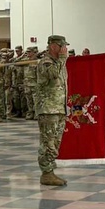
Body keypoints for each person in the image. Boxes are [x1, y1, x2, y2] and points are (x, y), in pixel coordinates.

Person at [37, 35, 69, 186]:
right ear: (53, 46)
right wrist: (62, 59)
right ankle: (46, 172)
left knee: (55, 142)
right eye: (62, 46)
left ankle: (50, 170)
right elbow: (52, 75)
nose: (65, 50)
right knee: (48, 142)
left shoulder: (59, 63)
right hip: (48, 108)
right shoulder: (46, 62)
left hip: (59, 108)